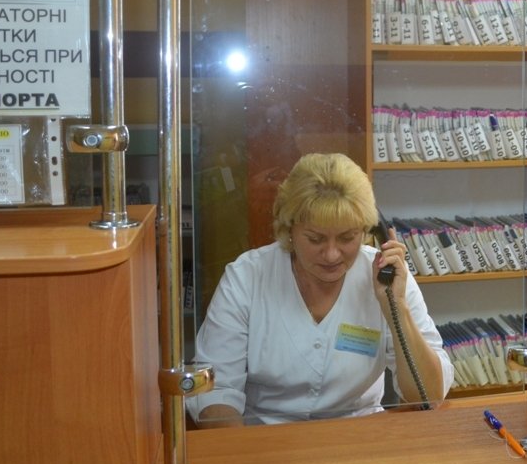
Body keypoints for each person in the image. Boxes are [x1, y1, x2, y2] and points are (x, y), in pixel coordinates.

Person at [187, 152, 454, 427]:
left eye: (347, 237)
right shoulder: (247, 277)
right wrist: (242, 449)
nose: (331, 255)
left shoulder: (388, 277)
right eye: (315, 239)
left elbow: (428, 397)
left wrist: (396, 306)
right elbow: (215, 389)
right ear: (289, 229)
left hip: (359, 436)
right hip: (266, 437)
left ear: (368, 230)